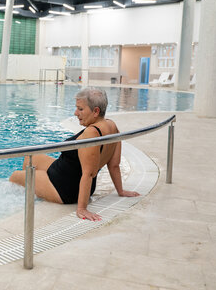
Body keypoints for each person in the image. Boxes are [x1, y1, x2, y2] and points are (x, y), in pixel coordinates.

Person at [9, 88, 140, 221]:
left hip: (64, 188)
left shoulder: (91, 133)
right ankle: (33, 188)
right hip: (63, 173)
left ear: (96, 111)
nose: (76, 113)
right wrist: (121, 191)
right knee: (30, 158)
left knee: (14, 177)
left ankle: (32, 188)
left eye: (81, 109)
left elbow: (89, 173)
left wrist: (82, 208)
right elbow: (114, 165)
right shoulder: (112, 126)